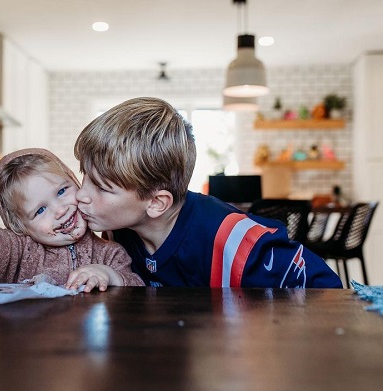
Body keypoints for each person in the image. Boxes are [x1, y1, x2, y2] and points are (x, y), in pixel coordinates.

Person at [70, 97, 342, 289]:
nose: (81, 195)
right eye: (85, 177)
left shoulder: (238, 242)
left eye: (102, 187)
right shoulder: (118, 228)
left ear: (156, 203)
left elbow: (327, 291)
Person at [0, 148, 144, 292]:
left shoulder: (110, 253)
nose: (59, 210)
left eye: (61, 191)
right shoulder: (17, 252)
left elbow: (137, 290)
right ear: (20, 226)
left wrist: (109, 275)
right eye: (39, 211)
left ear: (75, 183)